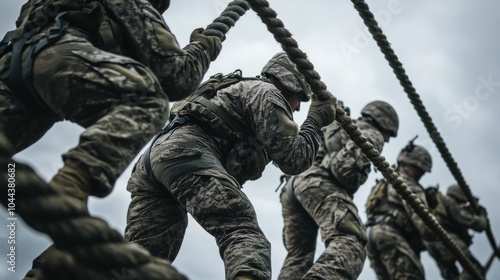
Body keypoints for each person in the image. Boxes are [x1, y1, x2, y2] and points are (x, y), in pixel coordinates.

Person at [0, 0, 221, 278]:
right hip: (56, 61)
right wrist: (203, 48)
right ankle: (72, 185)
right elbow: (177, 77)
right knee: (147, 100)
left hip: (13, 69)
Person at [124, 51, 337, 280]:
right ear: (290, 85)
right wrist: (315, 121)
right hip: (189, 154)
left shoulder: (239, 89)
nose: (296, 109)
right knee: (243, 232)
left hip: (155, 162)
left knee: (144, 260)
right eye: (300, 100)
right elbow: (294, 159)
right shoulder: (267, 93)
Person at [277, 100, 399, 280]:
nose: (387, 139)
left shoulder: (343, 126)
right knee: (351, 242)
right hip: (318, 184)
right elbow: (344, 172)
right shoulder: (371, 134)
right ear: (383, 123)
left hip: (292, 187)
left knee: (298, 257)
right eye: (389, 133)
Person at [365, 138, 434, 280]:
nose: (419, 176)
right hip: (391, 234)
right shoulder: (407, 183)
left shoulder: (385, 182)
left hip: (370, 236)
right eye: (419, 171)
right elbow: (423, 222)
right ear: (412, 165)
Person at [424, 184, 488, 280]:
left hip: (433, 244)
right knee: (474, 270)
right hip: (447, 239)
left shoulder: (442, 205)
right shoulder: (450, 202)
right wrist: (482, 215)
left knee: (452, 276)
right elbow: (478, 225)